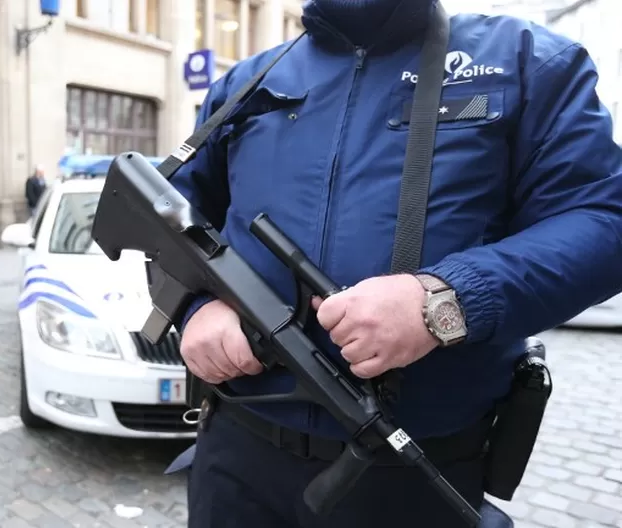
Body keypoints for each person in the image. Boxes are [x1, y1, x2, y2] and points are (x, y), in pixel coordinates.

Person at [170, 1, 622, 527]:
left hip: (414, 469)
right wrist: (195, 307)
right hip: (236, 458)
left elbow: (602, 220)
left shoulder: (527, 61)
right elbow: (174, 220)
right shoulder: (247, 82)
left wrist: (444, 300)